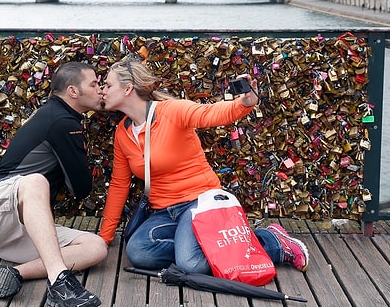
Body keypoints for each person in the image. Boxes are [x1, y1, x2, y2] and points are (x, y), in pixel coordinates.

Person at [98, 58, 309, 276]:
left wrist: (244, 103)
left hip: (199, 203)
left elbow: (210, 113)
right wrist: (104, 238)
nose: (103, 90)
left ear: (128, 89)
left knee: (191, 264)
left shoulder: (171, 111)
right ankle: (205, 247)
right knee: (139, 251)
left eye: (108, 85)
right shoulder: (123, 133)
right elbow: (119, 184)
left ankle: (272, 241)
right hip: (164, 212)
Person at [0, 62, 107, 306]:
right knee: (35, 181)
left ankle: (10, 273)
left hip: (15, 231)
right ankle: (59, 284)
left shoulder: (55, 114)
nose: (101, 90)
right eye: (94, 84)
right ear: (73, 91)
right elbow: (81, 188)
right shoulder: (61, 121)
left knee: (96, 247)